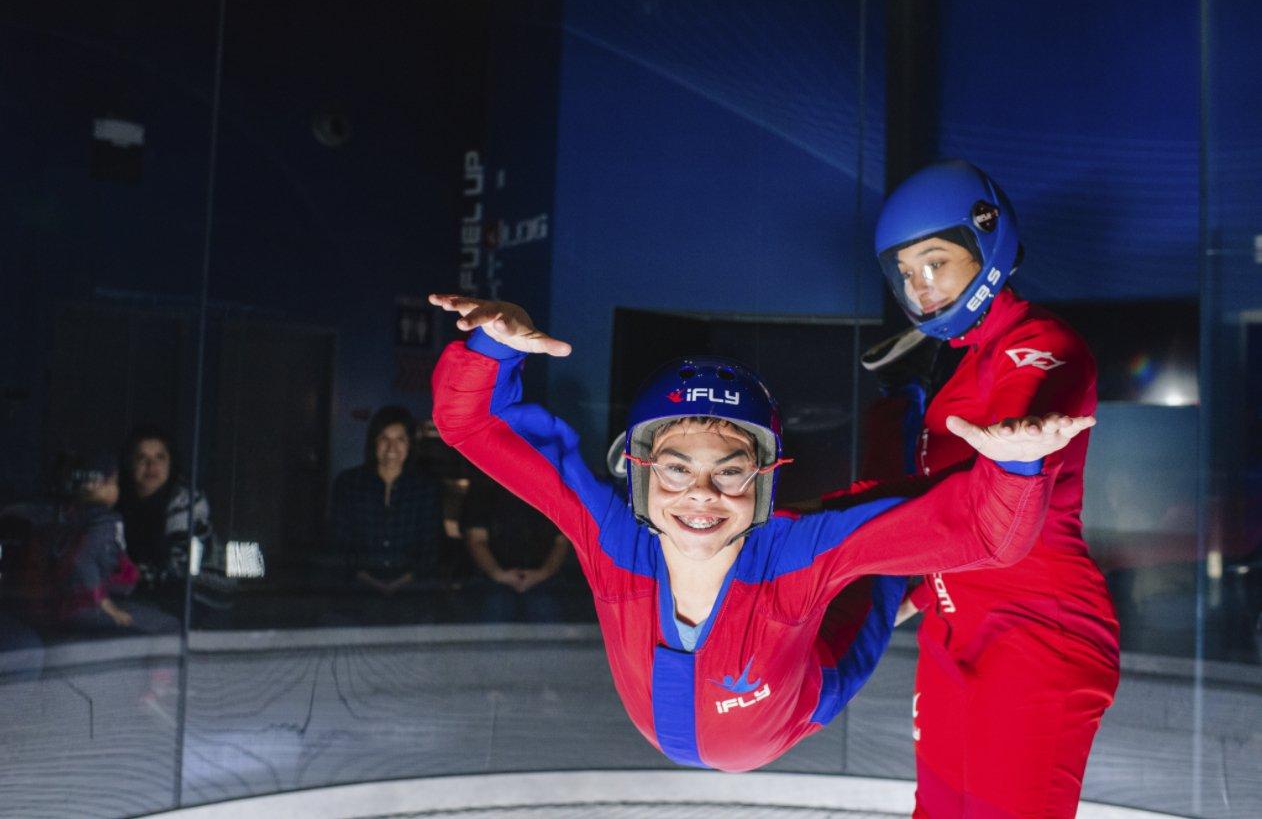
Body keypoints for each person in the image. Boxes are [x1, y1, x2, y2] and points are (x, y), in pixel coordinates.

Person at [427, 292, 1094, 773]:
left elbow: (985, 533)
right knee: (864, 532)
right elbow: (476, 425)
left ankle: (902, 395)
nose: (700, 495)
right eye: (677, 468)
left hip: (801, 700)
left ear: (765, 481)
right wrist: (490, 346)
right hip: (691, 716)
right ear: (639, 471)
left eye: (730, 470)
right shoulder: (611, 533)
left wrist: (1014, 466)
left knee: (883, 561)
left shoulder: (793, 549)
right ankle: (900, 394)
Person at [846, 160, 1120, 816]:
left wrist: (1018, 451)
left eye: (935, 261)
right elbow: (934, 505)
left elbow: (1025, 416)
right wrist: (904, 593)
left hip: (1037, 634)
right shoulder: (955, 363)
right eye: (906, 272)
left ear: (985, 240)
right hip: (953, 628)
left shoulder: (1038, 342)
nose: (920, 286)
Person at [330, 406, 444, 623]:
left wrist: (401, 582)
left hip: (414, 593)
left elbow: (432, 546)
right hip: (357, 592)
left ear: (410, 445)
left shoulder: (427, 488)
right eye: (384, 438)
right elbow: (339, 542)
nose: (392, 447)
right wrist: (370, 580)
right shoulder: (348, 484)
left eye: (400, 439)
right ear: (374, 442)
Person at [54, 453, 176, 634]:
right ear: (94, 485)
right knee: (171, 627)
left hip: (70, 605)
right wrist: (108, 607)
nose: (117, 490)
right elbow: (83, 560)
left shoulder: (71, 516)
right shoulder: (105, 522)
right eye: (113, 483)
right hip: (90, 607)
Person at [116, 427, 228, 624]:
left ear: (170, 464)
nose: (151, 465)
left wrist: (123, 577)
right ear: (130, 465)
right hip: (153, 599)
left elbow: (179, 570)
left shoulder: (186, 502)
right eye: (142, 458)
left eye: (160, 457)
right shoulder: (120, 504)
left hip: (200, 602)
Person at [461, 469, 569, 623]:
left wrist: (542, 573)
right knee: (496, 608)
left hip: (544, 579)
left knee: (546, 608)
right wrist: (499, 574)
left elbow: (562, 541)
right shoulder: (484, 484)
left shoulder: (550, 483)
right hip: (492, 579)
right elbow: (476, 540)